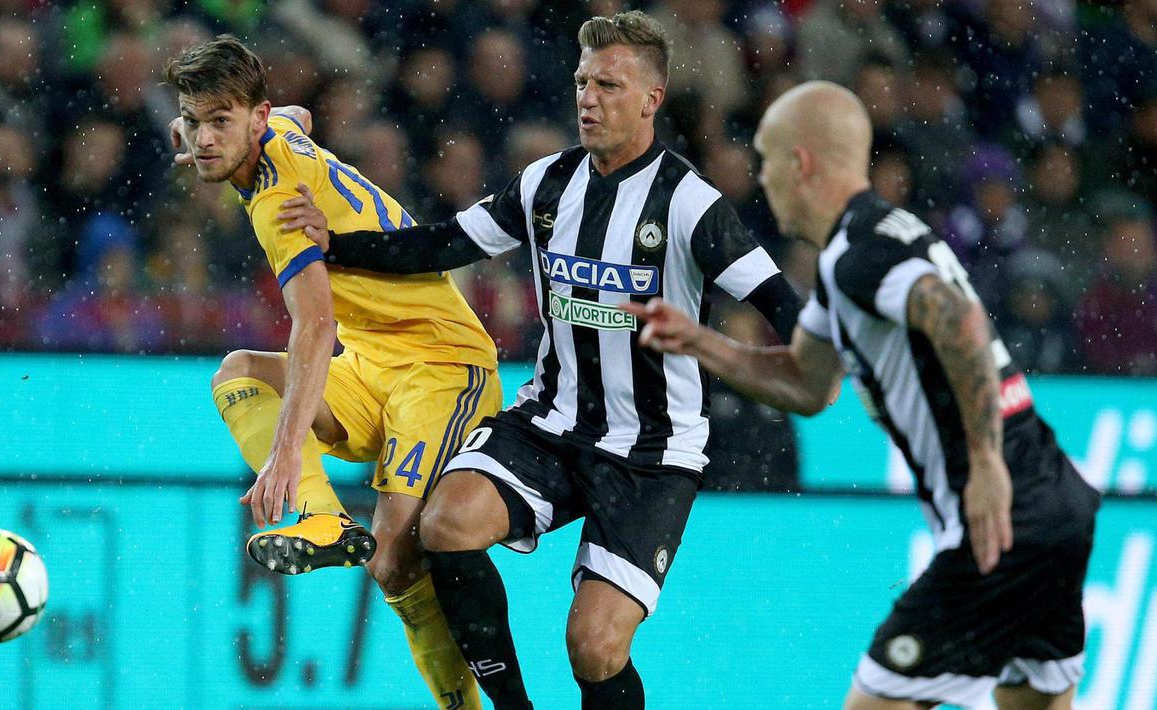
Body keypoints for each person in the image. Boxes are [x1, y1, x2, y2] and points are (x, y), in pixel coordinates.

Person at [282, 11, 801, 709]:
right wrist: (336, 243)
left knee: (594, 647)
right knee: (444, 525)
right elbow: (439, 245)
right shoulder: (547, 184)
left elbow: (784, 306)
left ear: (650, 99)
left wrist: (834, 362)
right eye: (583, 82)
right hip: (550, 422)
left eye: (609, 85)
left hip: (652, 452)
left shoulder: (689, 206)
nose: (588, 98)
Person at [625, 81, 1100, 710]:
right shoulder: (859, 253)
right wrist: (697, 342)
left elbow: (958, 320)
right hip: (1056, 503)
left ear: (802, 164)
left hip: (1002, 513)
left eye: (766, 162)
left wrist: (985, 462)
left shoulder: (862, 254)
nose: (761, 179)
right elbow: (806, 381)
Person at [163, 36, 500, 710]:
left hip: (440, 363)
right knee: (239, 373)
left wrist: (285, 454)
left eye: (218, 122)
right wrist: (211, 121)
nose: (202, 139)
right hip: (376, 364)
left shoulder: (278, 203)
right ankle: (325, 520)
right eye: (192, 121)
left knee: (397, 560)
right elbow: (300, 116)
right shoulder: (276, 129)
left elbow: (316, 326)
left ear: (253, 121)